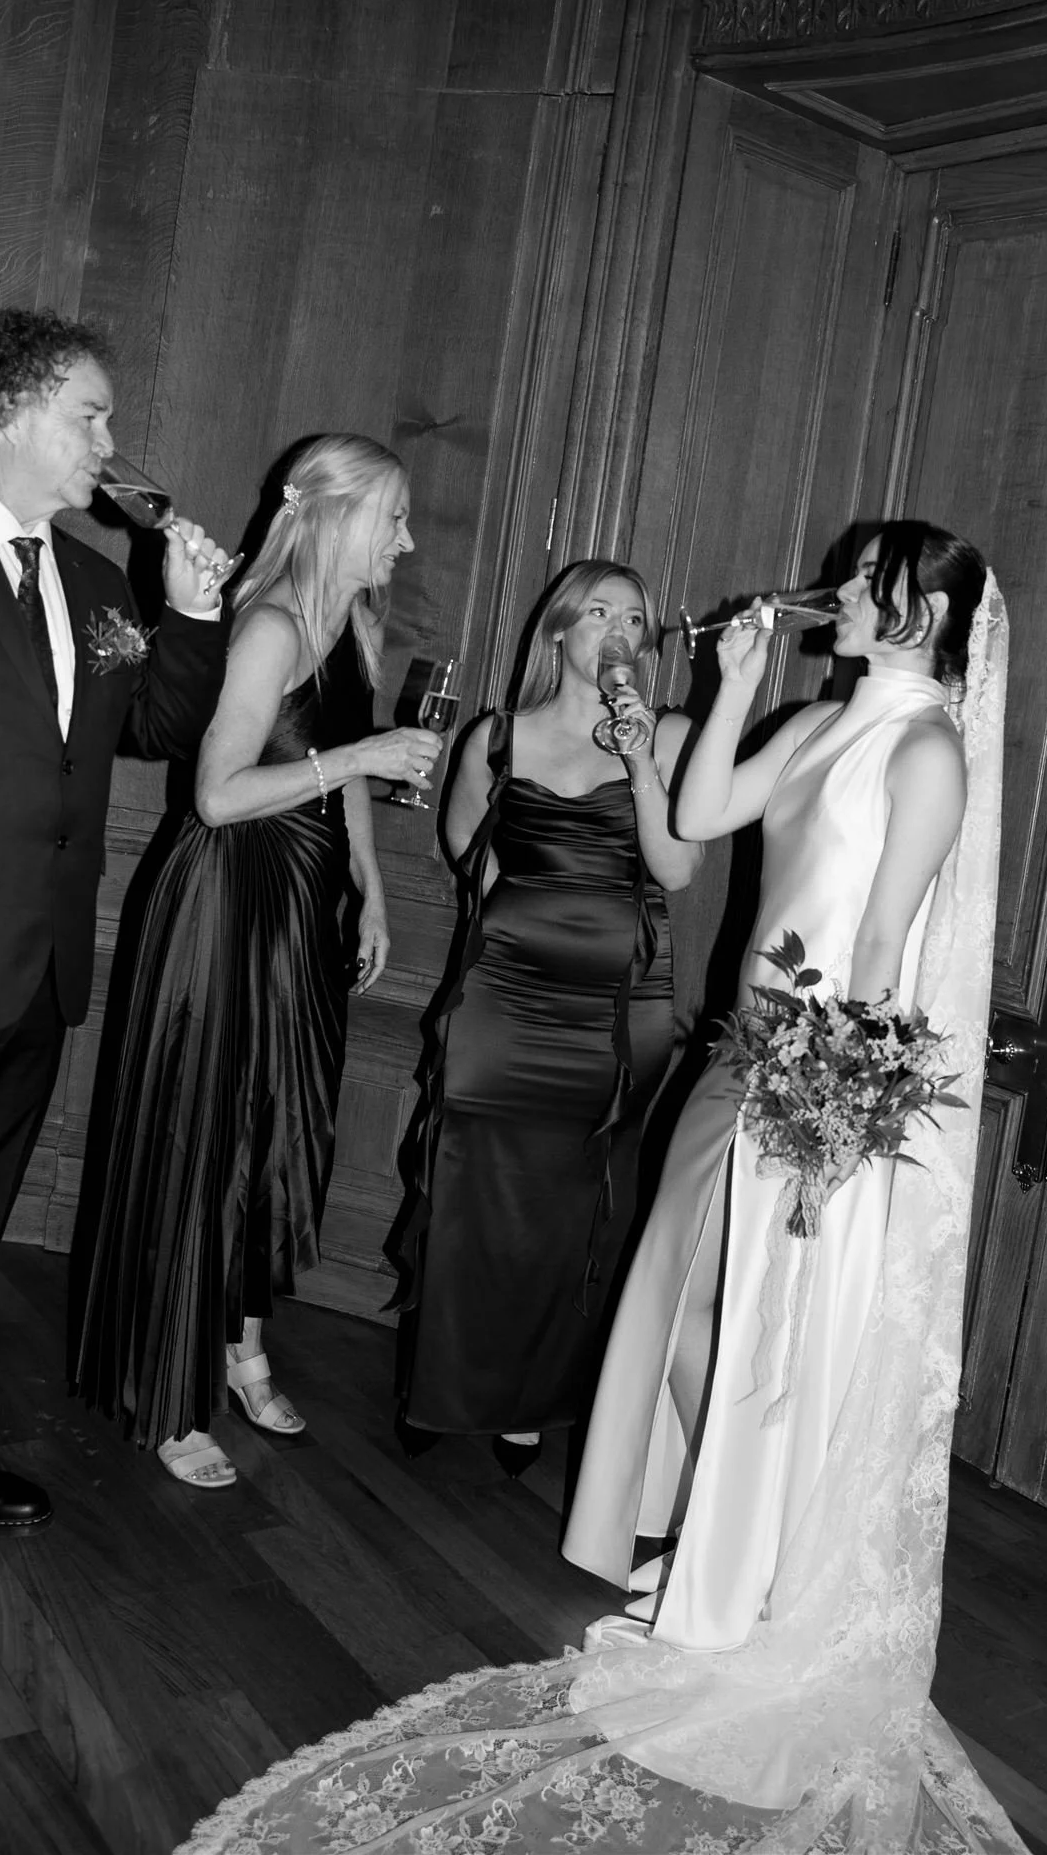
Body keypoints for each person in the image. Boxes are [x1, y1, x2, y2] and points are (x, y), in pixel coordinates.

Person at [175, 523, 1027, 1855]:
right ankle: (717, 1557)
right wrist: (738, 686)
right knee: (688, 1318)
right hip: (746, 1056)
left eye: (866, 586)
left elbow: (869, 942)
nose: (839, 596)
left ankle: (756, 1586)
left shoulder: (921, 747)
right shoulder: (821, 719)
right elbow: (699, 817)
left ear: (917, 614)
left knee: (750, 1338)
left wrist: (833, 1106)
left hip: (811, 1078)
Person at [0, 308, 234, 1534]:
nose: (110, 441)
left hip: (34, 984)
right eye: (92, 414)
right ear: (16, 414)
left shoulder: (86, 580)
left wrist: (183, 614)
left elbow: (155, 729)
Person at [74, 435, 441, 1489]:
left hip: (302, 910)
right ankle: (167, 1387)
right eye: (396, 518)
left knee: (278, 1127)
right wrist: (360, 759)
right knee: (204, 1137)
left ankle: (240, 1346)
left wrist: (370, 883)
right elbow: (217, 794)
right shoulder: (271, 622)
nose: (407, 541)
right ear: (331, 516)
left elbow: (351, 766)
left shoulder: (350, 622)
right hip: (224, 901)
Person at [396, 560, 701, 1474]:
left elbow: (677, 869)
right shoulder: (499, 733)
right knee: (471, 1193)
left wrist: (639, 753)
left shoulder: (673, 734)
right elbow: (462, 840)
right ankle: (444, 1388)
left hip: (615, 1010)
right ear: (559, 630)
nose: (616, 629)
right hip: (504, 999)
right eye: (596, 611)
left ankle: (529, 1399)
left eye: (634, 618)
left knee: (577, 1209)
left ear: (643, 644)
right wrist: (511, 925)